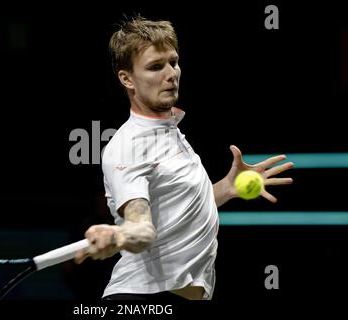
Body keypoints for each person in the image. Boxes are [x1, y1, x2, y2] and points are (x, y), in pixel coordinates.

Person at [74, 16, 294, 300]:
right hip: (143, 297)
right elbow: (140, 227)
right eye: (155, 66)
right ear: (127, 79)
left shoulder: (168, 131)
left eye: (173, 62)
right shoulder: (129, 146)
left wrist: (226, 188)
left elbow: (175, 213)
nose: (171, 73)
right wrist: (119, 236)